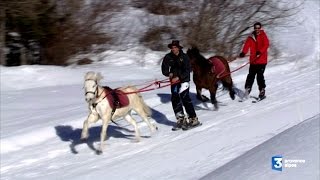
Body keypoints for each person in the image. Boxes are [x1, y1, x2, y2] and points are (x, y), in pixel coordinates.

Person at [161, 40, 201, 130]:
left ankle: (193, 119)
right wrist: (169, 74)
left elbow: (188, 70)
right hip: (174, 81)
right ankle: (181, 119)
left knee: (185, 97)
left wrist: (179, 77)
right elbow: (164, 68)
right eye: (172, 47)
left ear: (178, 48)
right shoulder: (168, 57)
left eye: (175, 47)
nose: (174, 49)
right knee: (175, 98)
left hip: (184, 80)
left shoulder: (185, 57)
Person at [239, 22, 269, 99]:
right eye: (256, 28)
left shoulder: (263, 35)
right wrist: (243, 52)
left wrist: (260, 51)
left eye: (258, 28)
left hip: (262, 60)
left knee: (259, 76)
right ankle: (247, 89)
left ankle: (262, 90)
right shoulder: (251, 37)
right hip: (253, 60)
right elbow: (246, 45)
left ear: (260, 28)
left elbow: (266, 44)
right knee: (250, 76)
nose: (257, 29)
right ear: (254, 28)